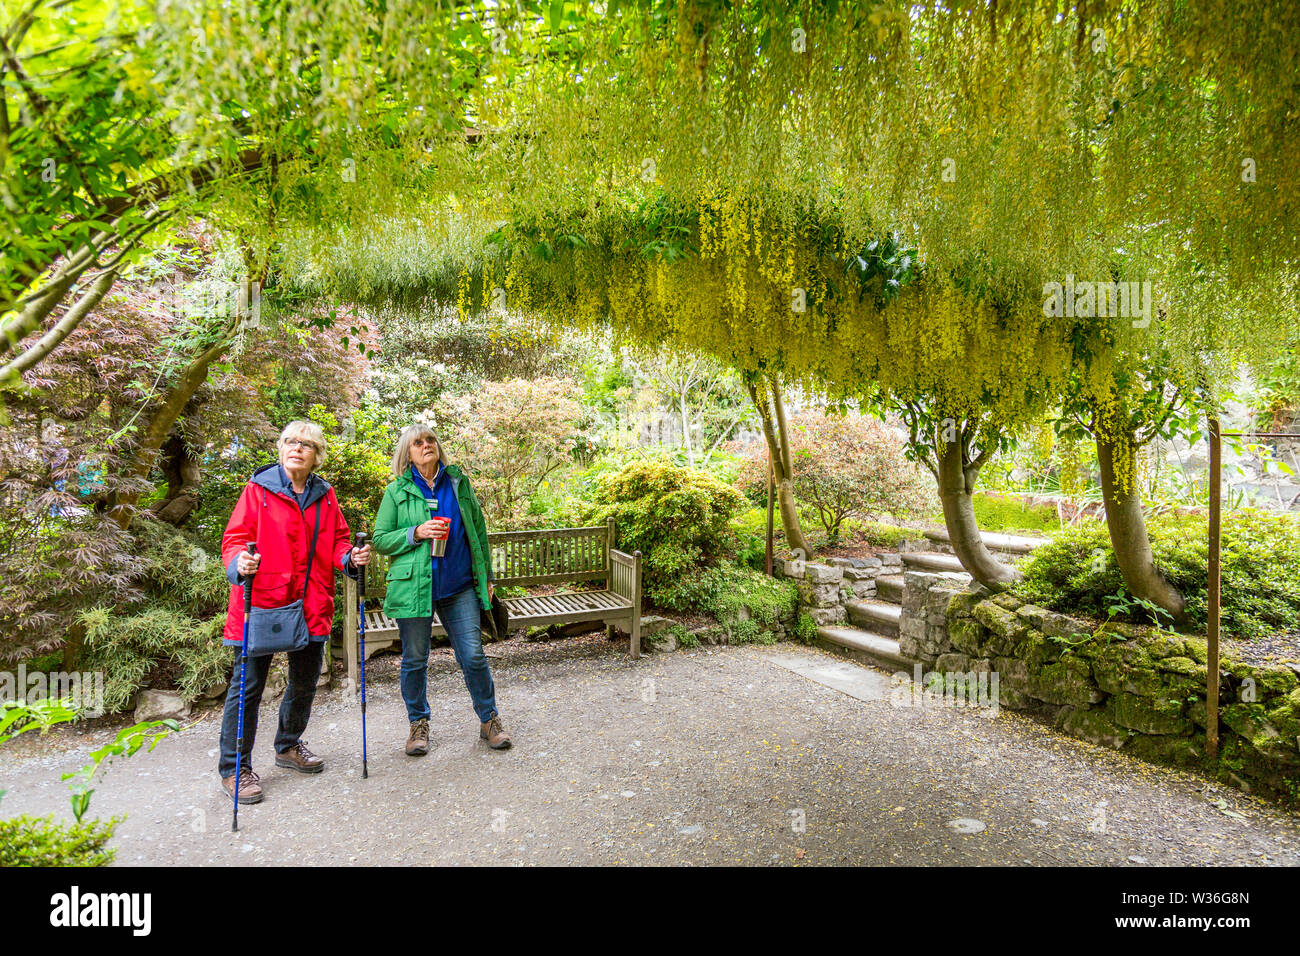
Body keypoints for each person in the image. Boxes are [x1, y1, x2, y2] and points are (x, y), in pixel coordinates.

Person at [217, 421, 371, 804]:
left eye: (306, 444)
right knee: (247, 689)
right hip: (261, 602)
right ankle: (235, 769)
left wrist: (349, 557)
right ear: (280, 448)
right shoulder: (258, 490)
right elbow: (234, 539)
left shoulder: (325, 494)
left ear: (316, 455)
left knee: (305, 683)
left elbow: (337, 540)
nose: (296, 448)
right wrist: (240, 562)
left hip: (311, 603)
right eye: (290, 442)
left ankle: (287, 745)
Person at [373, 423, 511, 755]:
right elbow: (380, 539)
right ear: (408, 453)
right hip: (414, 589)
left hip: (459, 586)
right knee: (415, 659)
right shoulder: (397, 491)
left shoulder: (458, 483)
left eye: (430, 440)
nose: (426, 445)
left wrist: (487, 577)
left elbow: (478, 530)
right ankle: (418, 726)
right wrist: (416, 532)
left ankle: (489, 720)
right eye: (418, 442)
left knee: (473, 655)